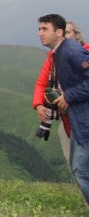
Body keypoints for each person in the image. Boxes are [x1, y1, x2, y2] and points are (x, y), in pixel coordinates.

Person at [40, 13, 89, 205]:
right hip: (78, 120)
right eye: (39, 29)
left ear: (59, 32)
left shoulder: (71, 51)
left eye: (45, 29)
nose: (40, 33)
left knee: (81, 170)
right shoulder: (59, 53)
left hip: (84, 118)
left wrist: (68, 96)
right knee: (77, 167)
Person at [33, 19, 88, 163]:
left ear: (77, 35)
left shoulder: (83, 54)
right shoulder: (53, 58)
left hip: (82, 115)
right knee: (74, 162)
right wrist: (39, 104)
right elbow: (41, 83)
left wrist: (68, 96)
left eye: (68, 32)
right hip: (66, 116)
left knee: (80, 166)